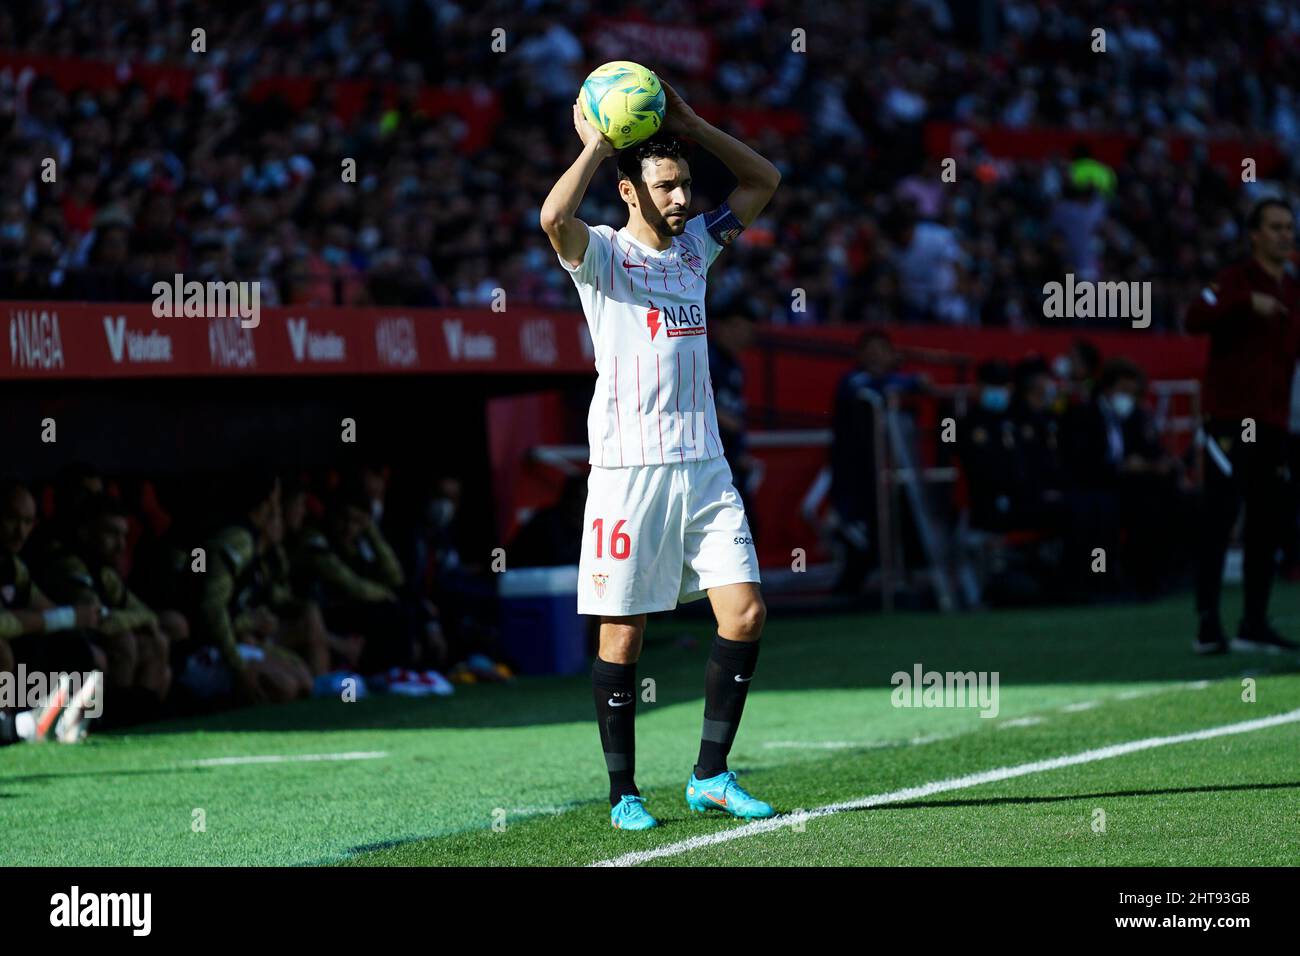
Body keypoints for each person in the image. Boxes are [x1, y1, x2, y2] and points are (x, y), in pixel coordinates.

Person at [540, 78, 781, 830]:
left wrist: (689, 122)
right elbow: (553, 215)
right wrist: (598, 144)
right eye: (666, 186)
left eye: (683, 186)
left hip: (703, 468)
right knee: (624, 634)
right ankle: (623, 793)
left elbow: (763, 180)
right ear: (629, 190)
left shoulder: (697, 250)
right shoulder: (602, 255)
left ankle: (710, 775)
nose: (680, 199)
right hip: (628, 473)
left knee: (744, 614)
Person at [1185, 198, 1300, 654]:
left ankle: (1254, 621)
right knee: (1219, 518)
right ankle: (1207, 624)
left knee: (1267, 524)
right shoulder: (1234, 280)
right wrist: (1242, 304)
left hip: (1273, 422)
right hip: (1230, 421)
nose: (1284, 235)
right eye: (1274, 227)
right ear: (1254, 234)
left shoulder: (1293, 290)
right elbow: (1193, 318)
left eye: (1289, 227)